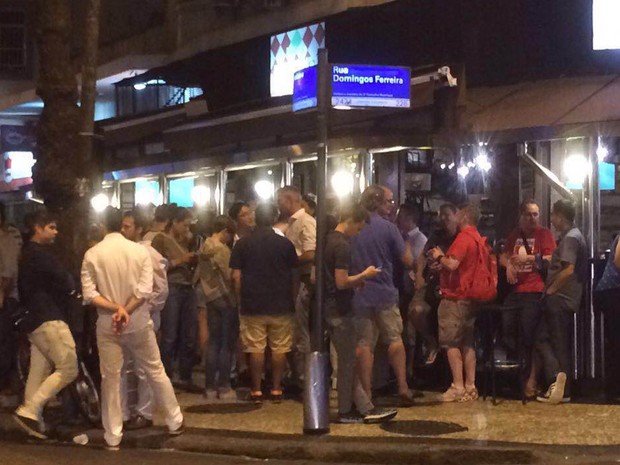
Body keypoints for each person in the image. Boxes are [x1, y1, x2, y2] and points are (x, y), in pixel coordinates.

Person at [81, 207, 183, 449]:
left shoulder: (92, 254)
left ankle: (113, 433)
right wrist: (126, 308)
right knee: (154, 369)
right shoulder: (139, 252)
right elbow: (145, 290)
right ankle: (174, 418)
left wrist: (116, 308)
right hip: (136, 317)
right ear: (122, 225)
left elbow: (89, 293)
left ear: (103, 226)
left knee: (111, 377)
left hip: (107, 320)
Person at [323, 203, 397, 423]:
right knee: (347, 362)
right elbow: (341, 281)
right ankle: (346, 411)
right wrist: (364, 275)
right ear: (353, 221)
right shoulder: (342, 246)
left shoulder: (327, 240)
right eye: (360, 227)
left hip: (329, 306)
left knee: (347, 361)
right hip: (340, 308)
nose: (359, 232)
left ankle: (364, 406)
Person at [12, 211, 78, 439]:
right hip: (49, 317)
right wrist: (72, 288)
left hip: (33, 320)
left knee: (39, 372)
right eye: (51, 227)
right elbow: (64, 278)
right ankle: (29, 411)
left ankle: (33, 423)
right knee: (69, 368)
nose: (55, 232)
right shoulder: (40, 254)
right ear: (38, 228)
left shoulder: (26, 254)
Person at [351, 185, 415, 406]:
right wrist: (405, 237)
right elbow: (407, 260)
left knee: (364, 344)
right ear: (377, 202)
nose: (392, 205)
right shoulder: (389, 228)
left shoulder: (354, 227)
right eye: (388, 201)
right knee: (395, 339)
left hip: (359, 292)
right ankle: (403, 388)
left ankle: (366, 392)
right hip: (385, 292)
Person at [230, 203, 298, 404]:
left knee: (255, 348)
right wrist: (292, 296)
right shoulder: (285, 244)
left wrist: (240, 297)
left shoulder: (242, 244)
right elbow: (294, 274)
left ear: (256, 218)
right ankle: (276, 388)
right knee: (280, 348)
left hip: (253, 303)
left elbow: (236, 276)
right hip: (281, 303)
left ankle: (256, 390)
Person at [119, 209, 169, 429]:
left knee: (144, 367)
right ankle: (128, 410)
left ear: (139, 229)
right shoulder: (125, 251)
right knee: (125, 366)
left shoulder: (148, 253)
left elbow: (161, 288)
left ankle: (144, 411)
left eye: (128, 226)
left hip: (143, 315)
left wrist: (148, 307)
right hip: (126, 315)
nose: (123, 230)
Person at [500, 199, 556, 398]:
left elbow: (551, 259)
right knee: (507, 330)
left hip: (534, 289)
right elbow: (504, 255)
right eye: (529, 214)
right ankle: (520, 373)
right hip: (516, 290)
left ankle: (531, 379)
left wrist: (530, 259)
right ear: (521, 216)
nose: (533, 218)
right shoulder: (515, 236)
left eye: (536, 214)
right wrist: (508, 265)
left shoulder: (544, 234)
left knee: (530, 335)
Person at [430, 202, 483, 402]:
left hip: (455, 297)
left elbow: (452, 264)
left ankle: (457, 386)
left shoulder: (463, 238)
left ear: (465, 216)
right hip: (471, 297)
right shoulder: (477, 238)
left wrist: (439, 256)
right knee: (467, 342)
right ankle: (471, 386)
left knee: (451, 342)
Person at [535, 199, 586, 404]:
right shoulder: (573, 236)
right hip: (565, 298)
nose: (552, 220)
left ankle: (560, 384)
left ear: (560, 217)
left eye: (554, 215)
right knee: (554, 340)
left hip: (561, 298)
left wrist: (551, 291)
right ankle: (559, 384)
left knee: (551, 340)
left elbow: (568, 269)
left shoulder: (571, 239)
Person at [152, 206, 198, 388]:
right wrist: (181, 260)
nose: (187, 230)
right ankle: (166, 376)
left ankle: (185, 375)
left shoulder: (186, 240)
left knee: (189, 334)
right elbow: (156, 266)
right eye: (185, 225)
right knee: (170, 334)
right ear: (175, 223)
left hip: (187, 287)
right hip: (172, 287)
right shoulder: (161, 239)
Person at [277, 186, 317, 385]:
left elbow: (311, 252)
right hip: (294, 281)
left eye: (280, 200)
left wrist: (289, 260)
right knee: (296, 329)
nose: (278, 205)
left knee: (302, 330)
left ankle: (305, 377)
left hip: (303, 281)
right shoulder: (293, 223)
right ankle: (299, 374)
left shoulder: (305, 222)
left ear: (290, 200)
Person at [197, 215, 238, 401]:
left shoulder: (204, 247)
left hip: (209, 297)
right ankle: (224, 385)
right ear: (224, 232)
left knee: (213, 342)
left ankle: (209, 387)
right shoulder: (220, 250)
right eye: (230, 235)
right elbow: (229, 275)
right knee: (226, 344)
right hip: (225, 297)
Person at [412, 203, 459, 366]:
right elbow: (423, 256)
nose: (444, 218)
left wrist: (443, 263)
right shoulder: (436, 235)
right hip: (432, 285)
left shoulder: (461, 237)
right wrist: (419, 275)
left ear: (456, 215)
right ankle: (431, 342)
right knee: (416, 311)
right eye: (442, 215)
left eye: (447, 214)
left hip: (453, 288)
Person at [395, 204, 427, 378]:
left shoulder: (420, 240)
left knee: (410, 331)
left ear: (409, 219)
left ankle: (411, 369)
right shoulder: (403, 237)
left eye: (400, 217)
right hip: (403, 289)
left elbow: (413, 262)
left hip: (412, 290)